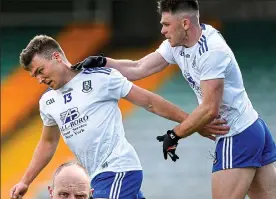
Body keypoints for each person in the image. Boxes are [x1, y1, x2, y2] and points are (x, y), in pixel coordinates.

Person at [72, 0, 276, 198]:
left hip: (237, 135)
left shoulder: (212, 51)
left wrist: (174, 135)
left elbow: (209, 109)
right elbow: (138, 68)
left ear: (185, 24)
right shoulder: (176, 45)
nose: (162, 30)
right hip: (251, 129)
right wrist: (103, 62)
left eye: (166, 24)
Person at [9, 35, 227, 199]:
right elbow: (47, 143)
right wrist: (25, 181)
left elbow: (149, 102)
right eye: (34, 75)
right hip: (96, 178)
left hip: (116, 169)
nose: (38, 79)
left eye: (40, 70)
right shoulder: (47, 102)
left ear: (56, 57)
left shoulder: (100, 78)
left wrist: (194, 123)